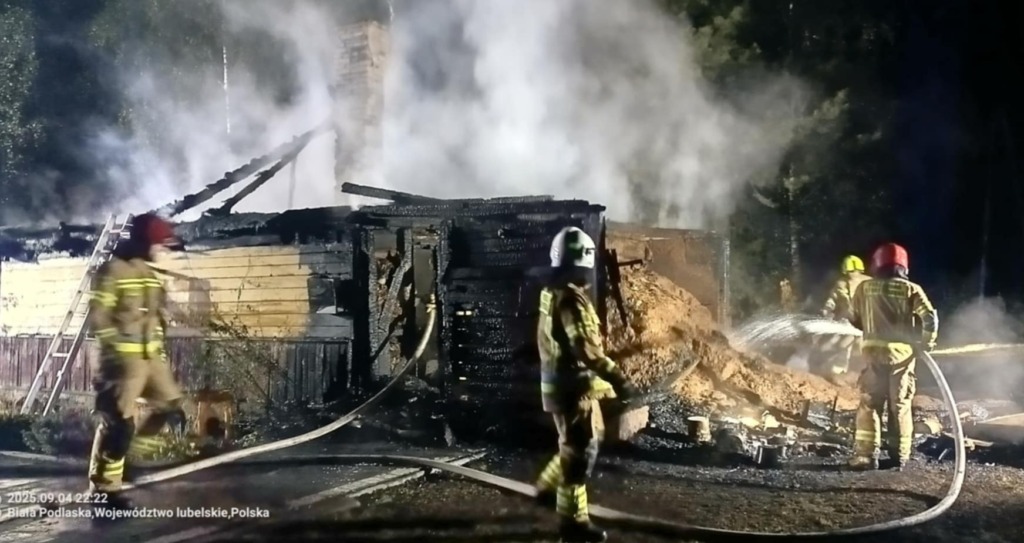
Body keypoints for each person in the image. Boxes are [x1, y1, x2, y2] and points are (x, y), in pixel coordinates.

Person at [532, 226, 640, 543]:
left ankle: (548, 489)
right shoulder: (571, 300)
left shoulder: (553, 292)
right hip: (572, 390)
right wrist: (619, 379)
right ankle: (573, 523)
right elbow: (587, 351)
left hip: (569, 387)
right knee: (578, 455)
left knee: (580, 443)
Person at [86, 212, 185, 509]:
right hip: (120, 363)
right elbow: (99, 318)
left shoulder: (146, 272)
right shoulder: (111, 271)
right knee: (119, 426)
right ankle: (104, 489)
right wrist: (115, 351)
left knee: (169, 407)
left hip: (150, 359)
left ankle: (129, 459)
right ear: (141, 240)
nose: (159, 250)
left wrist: (159, 348)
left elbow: (156, 317)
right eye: (156, 244)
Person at [847, 243, 937, 471]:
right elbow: (930, 319)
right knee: (901, 405)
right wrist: (927, 342)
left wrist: (870, 323)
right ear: (903, 266)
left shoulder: (864, 288)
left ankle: (867, 457)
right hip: (903, 357)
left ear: (877, 264)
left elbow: (853, 319)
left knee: (870, 404)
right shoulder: (912, 289)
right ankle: (900, 456)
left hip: (873, 355)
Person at [811, 255, 871, 380]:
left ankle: (867, 374)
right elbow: (832, 299)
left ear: (860, 270)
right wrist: (827, 309)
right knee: (838, 345)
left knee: (859, 348)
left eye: (855, 272)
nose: (852, 274)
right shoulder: (841, 284)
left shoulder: (870, 283)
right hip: (847, 322)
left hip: (867, 323)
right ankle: (838, 370)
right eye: (850, 272)